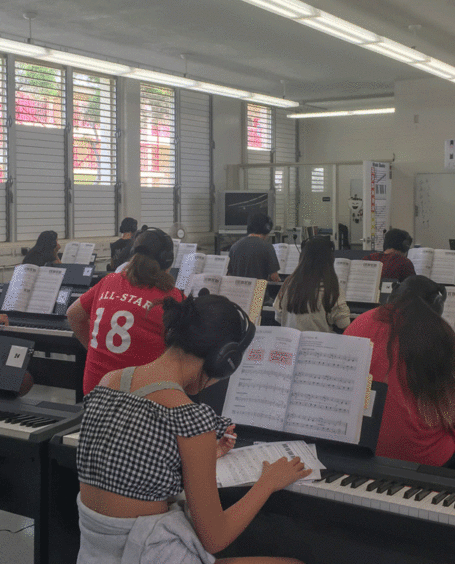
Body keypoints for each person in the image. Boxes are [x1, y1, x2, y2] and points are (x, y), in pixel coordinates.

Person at [76, 292, 310, 564]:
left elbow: (132, 465)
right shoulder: (188, 417)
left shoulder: (109, 382)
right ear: (225, 359)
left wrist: (202, 455)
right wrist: (267, 483)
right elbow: (215, 538)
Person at [344, 275, 455, 470]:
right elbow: (452, 410)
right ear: (438, 304)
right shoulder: (441, 332)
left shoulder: (359, 322)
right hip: (422, 457)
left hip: (360, 446)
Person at [67, 227, 186, 395]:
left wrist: (97, 349)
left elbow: (73, 314)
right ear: (167, 261)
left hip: (94, 400)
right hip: (139, 403)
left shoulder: (109, 281)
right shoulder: (173, 298)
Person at [273, 236, 350, 332]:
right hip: (320, 345)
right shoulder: (330, 288)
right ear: (330, 260)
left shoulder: (288, 284)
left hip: (291, 344)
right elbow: (344, 324)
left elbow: (279, 317)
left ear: (303, 258)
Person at [226, 213, 281, 282]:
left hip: (238, 291)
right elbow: (274, 277)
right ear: (266, 229)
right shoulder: (267, 247)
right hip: (258, 291)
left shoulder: (234, 246)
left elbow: (229, 274)